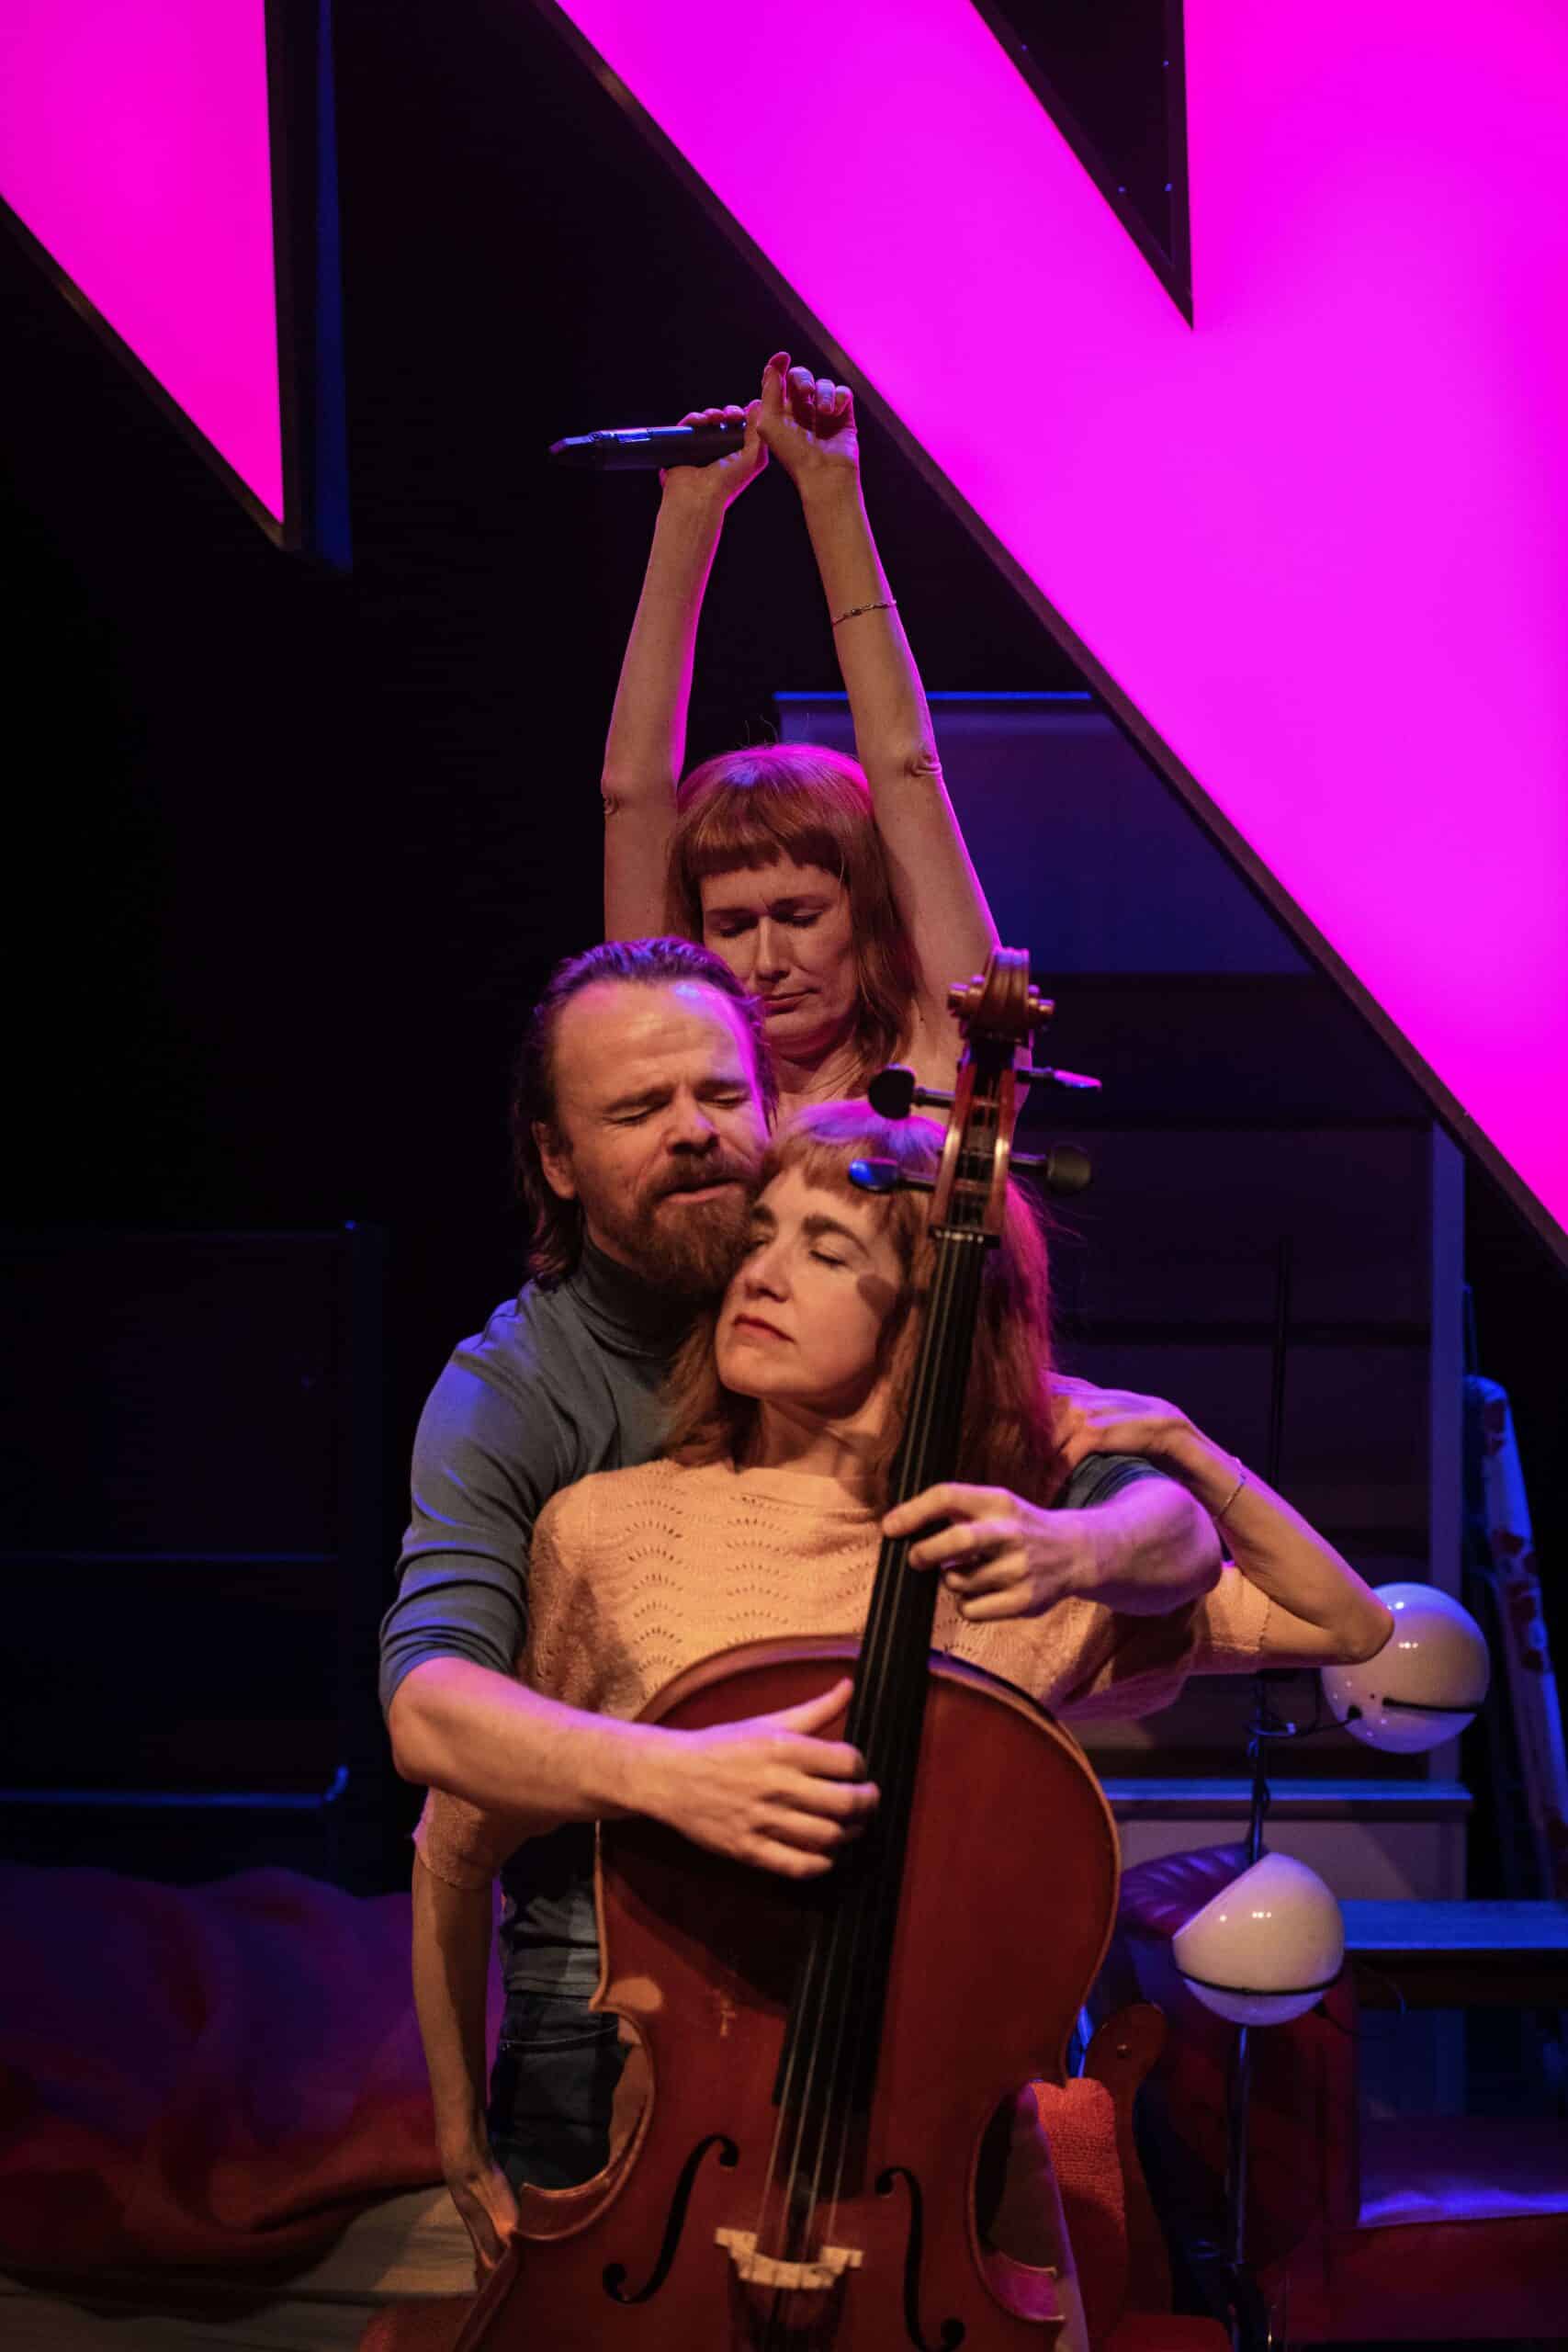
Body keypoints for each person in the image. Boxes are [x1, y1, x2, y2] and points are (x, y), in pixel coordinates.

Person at [410, 1102, 1393, 2285]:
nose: (761, 1272)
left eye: (825, 1251)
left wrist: (1186, 1446)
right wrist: (459, 2130)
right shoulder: (610, 1532)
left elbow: (1345, 1624)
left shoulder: (1006, 1553)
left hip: (947, 2183)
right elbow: (457, 1842)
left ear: (926, 1315)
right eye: (760, 1235)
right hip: (682, 2151)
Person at [600, 349, 995, 1102]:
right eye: (731, 926)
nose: (766, 963)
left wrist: (829, 487)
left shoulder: (940, 1068)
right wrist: (688, 514)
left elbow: (907, 768)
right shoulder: (682, 1087)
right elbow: (631, 794)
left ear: (866, 912)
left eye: (800, 915)